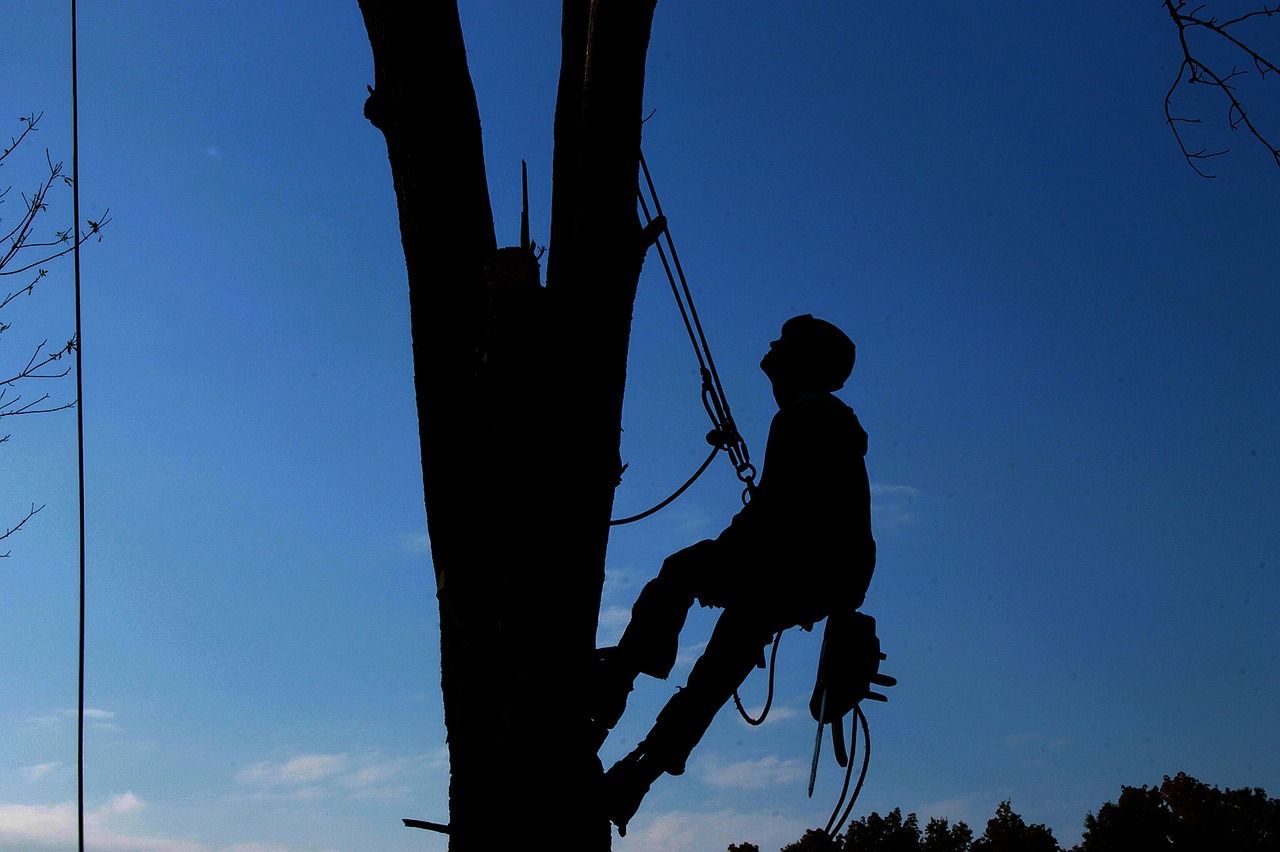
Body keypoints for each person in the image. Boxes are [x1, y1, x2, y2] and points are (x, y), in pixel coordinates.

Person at [593, 314, 878, 836]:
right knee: (721, 666)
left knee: (681, 572)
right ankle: (640, 775)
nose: (771, 363)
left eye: (781, 356)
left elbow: (775, 514)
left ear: (799, 367)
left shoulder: (803, 418)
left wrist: (724, 560)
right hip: (825, 577)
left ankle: (616, 685)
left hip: (793, 564)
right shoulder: (831, 422)